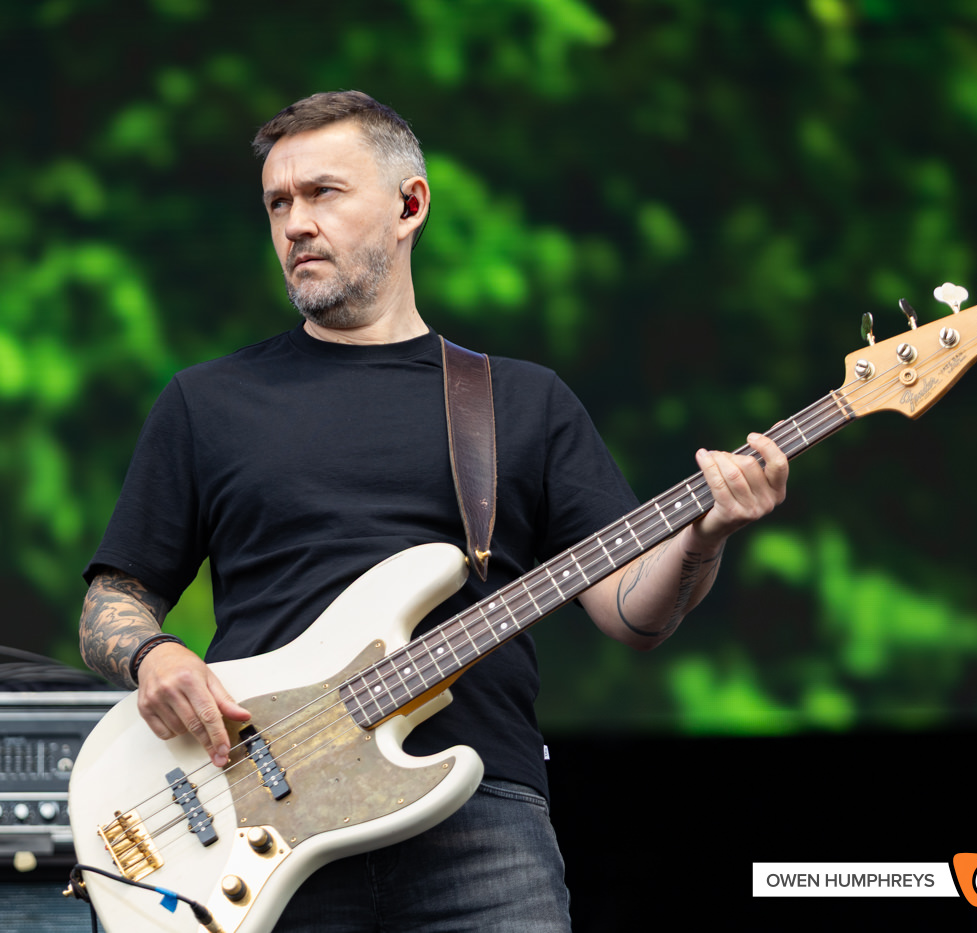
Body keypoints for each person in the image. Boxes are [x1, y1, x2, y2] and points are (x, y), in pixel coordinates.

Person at [78, 90, 788, 932]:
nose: (296, 223)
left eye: (324, 193)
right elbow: (109, 600)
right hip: (256, 816)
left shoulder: (521, 402)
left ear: (410, 204)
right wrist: (154, 655)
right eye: (278, 202)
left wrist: (705, 537)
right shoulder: (208, 400)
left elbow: (633, 613)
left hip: (479, 821)